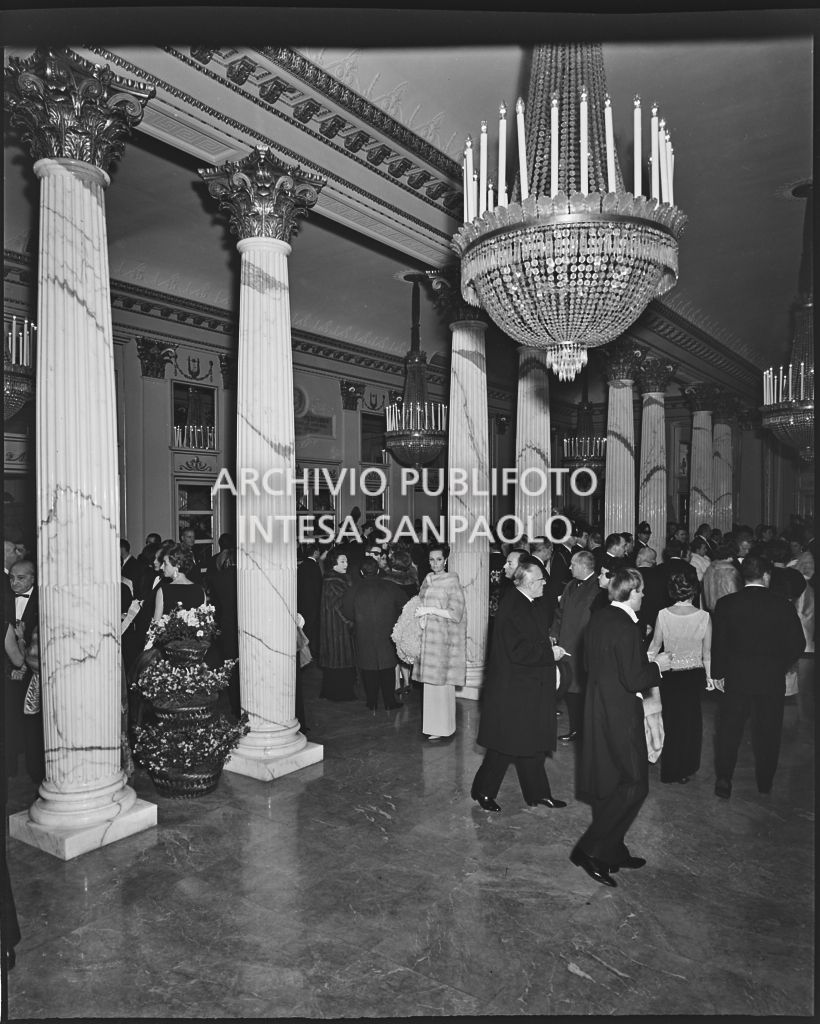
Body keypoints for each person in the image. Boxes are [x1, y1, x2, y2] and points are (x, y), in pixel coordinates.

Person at [571, 569, 670, 887]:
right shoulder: (627, 627)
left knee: (612, 782)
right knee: (635, 784)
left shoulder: (599, 618)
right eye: (641, 591)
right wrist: (658, 667)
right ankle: (589, 849)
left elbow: (589, 666)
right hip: (620, 713)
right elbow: (634, 679)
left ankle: (612, 851)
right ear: (630, 592)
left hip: (597, 709)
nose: (643, 596)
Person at [472, 561, 568, 812]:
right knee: (505, 745)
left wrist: (545, 644)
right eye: (541, 580)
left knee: (531, 743)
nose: (545, 583)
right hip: (514, 688)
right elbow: (517, 650)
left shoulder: (527, 602)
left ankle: (538, 793)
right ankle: (484, 791)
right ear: (529, 583)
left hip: (527, 685)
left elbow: (528, 639)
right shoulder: (514, 605)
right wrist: (550, 653)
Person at [710, 555, 805, 798]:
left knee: (729, 730)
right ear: (766, 575)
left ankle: (724, 779)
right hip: (770, 679)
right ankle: (765, 782)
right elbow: (798, 644)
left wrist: (718, 672)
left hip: (736, 678)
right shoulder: (782, 604)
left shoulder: (726, 604)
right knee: (769, 732)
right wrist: (779, 665)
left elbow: (718, 644)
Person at [647, 564, 712, 784]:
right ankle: (686, 767)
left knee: (671, 721)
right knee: (690, 723)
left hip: (670, 675)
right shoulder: (704, 616)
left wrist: (646, 667)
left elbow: (654, 647)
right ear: (694, 590)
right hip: (693, 677)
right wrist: (710, 678)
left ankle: (670, 769)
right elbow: (707, 653)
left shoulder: (663, 614)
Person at [341, 557, 409, 712]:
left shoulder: (353, 589)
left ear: (361, 572)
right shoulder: (390, 586)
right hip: (387, 633)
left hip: (364, 634)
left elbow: (347, 612)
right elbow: (405, 605)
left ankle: (371, 702)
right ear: (378, 570)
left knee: (368, 668)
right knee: (388, 667)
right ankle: (389, 702)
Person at [413, 544, 466, 741]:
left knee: (442, 685)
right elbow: (419, 603)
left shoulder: (452, 581)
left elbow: (456, 613)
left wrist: (431, 610)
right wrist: (421, 617)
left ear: (445, 560)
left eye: (439, 559)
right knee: (430, 687)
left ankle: (444, 727)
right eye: (431, 560)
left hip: (443, 640)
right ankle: (433, 726)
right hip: (428, 639)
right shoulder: (427, 579)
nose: (435, 563)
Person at [550, 550, 599, 743]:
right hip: (566, 644)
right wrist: (554, 633)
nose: (569, 567)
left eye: (573, 564)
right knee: (569, 688)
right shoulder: (570, 585)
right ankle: (575, 729)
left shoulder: (598, 587)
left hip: (583, 646)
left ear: (584, 567)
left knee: (584, 691)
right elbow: (559, 613)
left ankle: (587, 731)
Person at [318, 549, 356, 701]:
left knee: (336, 659)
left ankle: (334, 691)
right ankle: (339, 693)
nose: (346, 564)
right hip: (337, 627)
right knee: (339, 658)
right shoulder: (334, 581)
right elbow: (339, 606)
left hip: (335, 625)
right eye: (342, 561)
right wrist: (349, 622)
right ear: (334, 563)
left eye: (346, 561)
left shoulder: (335, 578)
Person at [153, 545, 206, 620]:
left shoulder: (163, 591)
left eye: (165, 563)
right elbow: (204, 621)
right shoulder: (200, 590)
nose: (161, 567)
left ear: (177, 565)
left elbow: (156, 624)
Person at [296, 541, 325, 661]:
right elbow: (319, 587)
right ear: (316, 553)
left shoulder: (301, 566)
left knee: (304, 628)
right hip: (314, 604)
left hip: (302, 603)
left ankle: (305, 654)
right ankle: (311, 654)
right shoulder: (315, 567)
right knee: (313, 629)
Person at [701, 541, 743, 613]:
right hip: (728, 609)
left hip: (711, 609)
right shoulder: (731, 571)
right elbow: (734, 593)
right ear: (731, 556)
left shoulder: (709, 568)